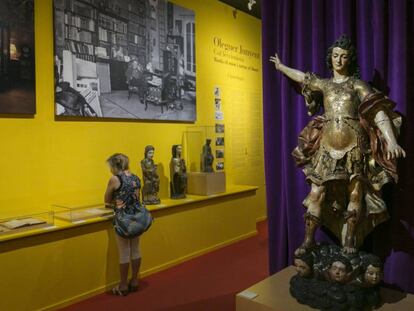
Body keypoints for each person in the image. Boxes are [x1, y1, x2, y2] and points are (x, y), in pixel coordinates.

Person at [270, 35, 405, 255]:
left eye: (343, 56)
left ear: (349, 60)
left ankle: (350, 240)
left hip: (355, 146)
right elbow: (303, 78)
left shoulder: (358, 85)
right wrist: (282, 67)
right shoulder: (324, 84)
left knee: (355, 194)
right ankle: (308, 240)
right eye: (335, 56)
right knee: (316, 194)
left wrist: (391, 140)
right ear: (330, 58)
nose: (339, 60)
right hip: (326, 147)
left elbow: (378, 111)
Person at [104, 153, 142, 296]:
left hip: (122, 219)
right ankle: (135, 281)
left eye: (110, 167)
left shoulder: (115, 179)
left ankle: (123, 284)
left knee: (124, 252)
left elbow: (107, 200)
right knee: (136, 249)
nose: (110, 170)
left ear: (115, 166)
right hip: (136, 218)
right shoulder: (135, 177)